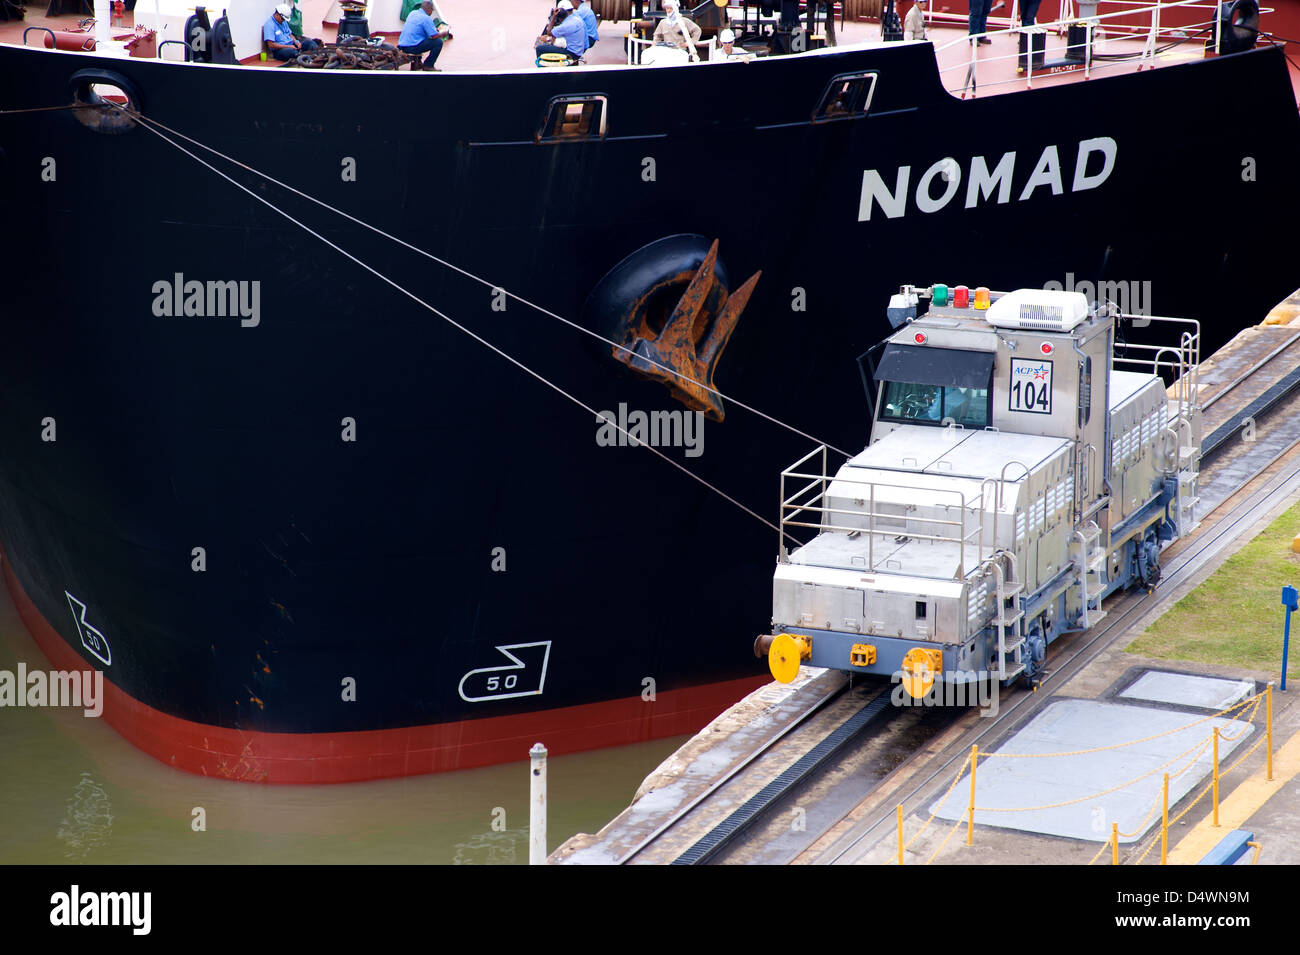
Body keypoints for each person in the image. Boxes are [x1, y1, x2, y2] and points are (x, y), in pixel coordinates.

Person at [399, 0, 448, 71]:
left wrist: (433, 30)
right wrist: (443, 33)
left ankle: (417, 63)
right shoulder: (426, 18)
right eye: (432, 9)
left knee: (419, 37)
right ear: (429, 9)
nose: (432, 12)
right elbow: (434, 36)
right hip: (412, 47)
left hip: (402, 45)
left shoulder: (413, 13)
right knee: (438, 42)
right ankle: (428, 65)